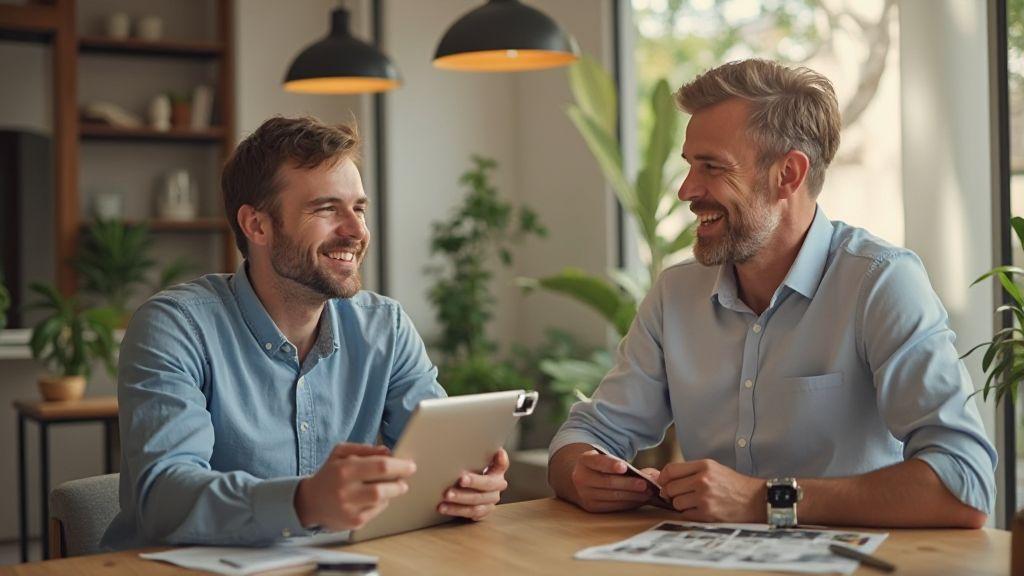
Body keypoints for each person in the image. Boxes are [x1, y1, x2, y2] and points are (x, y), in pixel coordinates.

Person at [548, 59, 996, 528]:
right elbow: (586, 434)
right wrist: (582, 473)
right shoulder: (675, 294)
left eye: (711, 167)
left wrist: (765, 499)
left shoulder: (880, 283)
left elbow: (964, 482)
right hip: (700, 556)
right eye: (689, 165)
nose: (686, 190)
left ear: (788, 174)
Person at [101, 116, 508, 549]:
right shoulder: (174, 328)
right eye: (327, 209)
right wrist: (303, 502)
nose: (357, 231)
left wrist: (466, 488)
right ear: (257, 225)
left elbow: (436, 462)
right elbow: (163, 498)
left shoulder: (384, 327)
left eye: (359, 209)